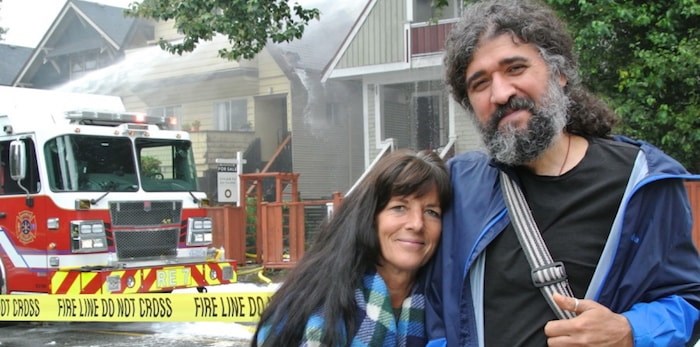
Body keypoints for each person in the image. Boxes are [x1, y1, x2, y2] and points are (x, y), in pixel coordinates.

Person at [424, 0, 700, 346]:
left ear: (559, 72)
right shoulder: (457, 187)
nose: (500, 93)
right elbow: (432, 311)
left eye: (515, 68)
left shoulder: (640, 180)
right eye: (480, 84)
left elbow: (689, 299)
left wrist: (631, 331)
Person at [252, 149, 451, 346]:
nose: (417, 224)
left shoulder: (449, 310)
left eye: (431, 212)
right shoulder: (313, 304)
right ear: (371, 217)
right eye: (399, 208)